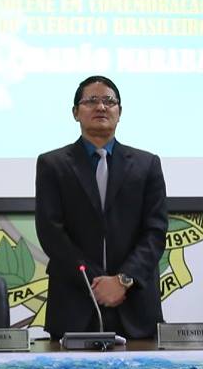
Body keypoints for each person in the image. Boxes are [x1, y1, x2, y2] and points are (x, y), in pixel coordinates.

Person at [34, 75, 169, 340]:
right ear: (75, 112)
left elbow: (155, 231)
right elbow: (51, 232)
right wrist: (98, 284)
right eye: (91, 101)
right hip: (75, 301)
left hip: (135, 304)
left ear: (120, 112)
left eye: (109, 101)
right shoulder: (52, 164)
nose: (101, 107)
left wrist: (122, 281)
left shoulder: (147, 164)